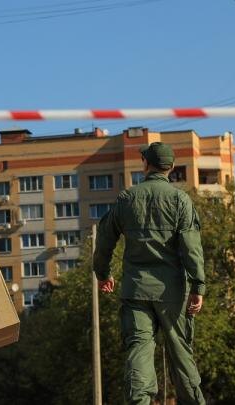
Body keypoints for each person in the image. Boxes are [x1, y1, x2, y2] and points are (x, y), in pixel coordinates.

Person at [93, 142, 206, 405]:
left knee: (139, 351)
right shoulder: (180, 201)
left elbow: (104, 242)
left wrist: (103, 274)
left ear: (146, 165)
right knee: (180, 352)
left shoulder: (126, 199)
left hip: (136, 291)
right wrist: (198, 287)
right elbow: (192, 248)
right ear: (172, 167)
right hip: (173, 294)